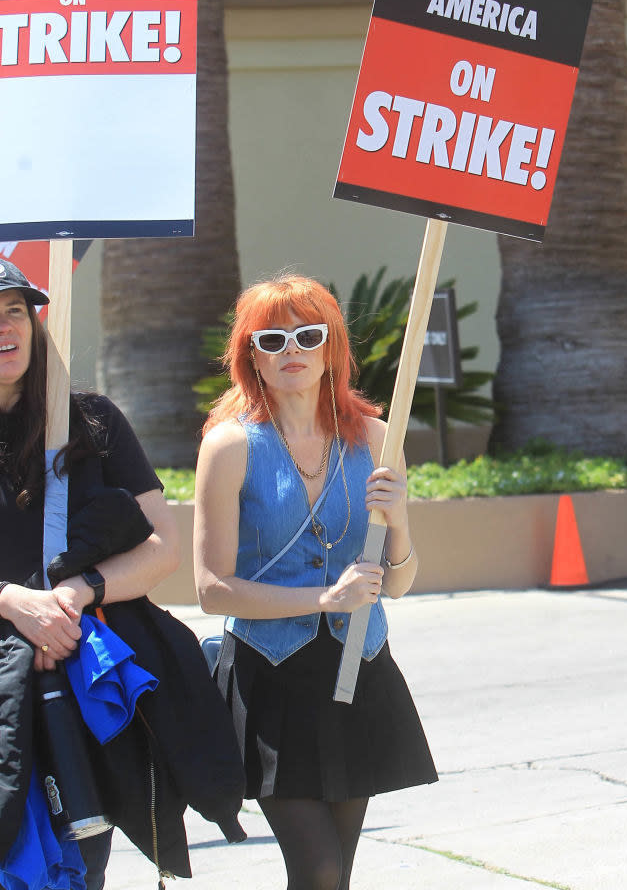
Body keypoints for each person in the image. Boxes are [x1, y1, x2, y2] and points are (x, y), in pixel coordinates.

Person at [194, 273, 438, 890]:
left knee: (337, 875)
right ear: (250, 354)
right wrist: (322, 598)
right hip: (271, 678)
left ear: (332, 347)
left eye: (308, 334)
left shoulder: (379, 441)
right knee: (319, 871)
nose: (291, 351)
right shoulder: (230, 447)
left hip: (358, 669)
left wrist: (401, 516)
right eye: (271, 339)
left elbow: (401, 583)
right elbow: (211, 589)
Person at [0, 259, 179, 890]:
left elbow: (164, 546)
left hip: (76, 681)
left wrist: (76, 595)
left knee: (82, 866)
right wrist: (14, 602)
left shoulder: (91, 419)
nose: (5, 327)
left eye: (15, 311)